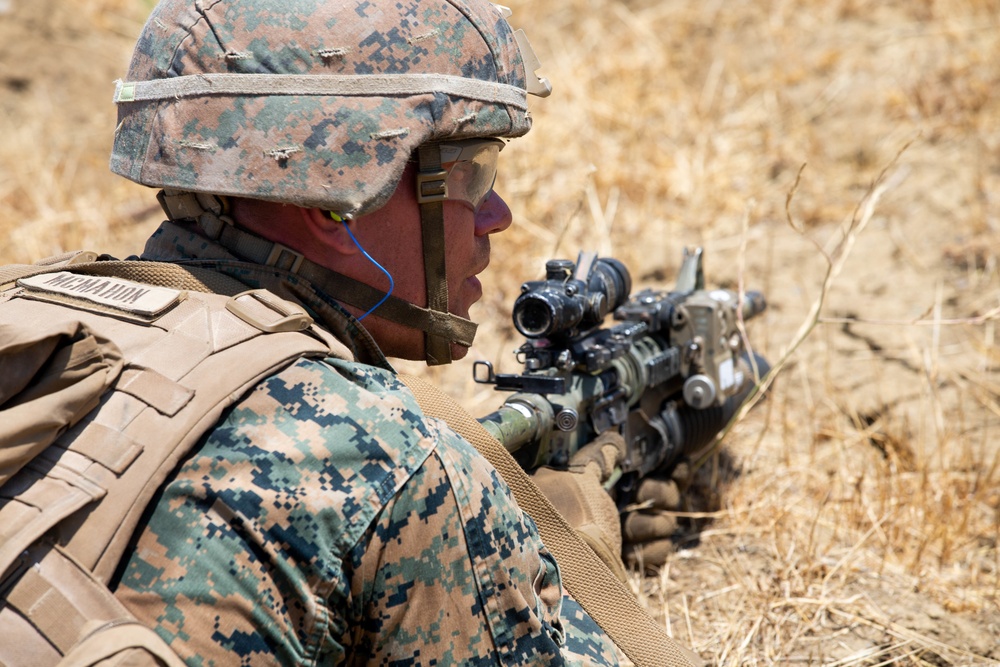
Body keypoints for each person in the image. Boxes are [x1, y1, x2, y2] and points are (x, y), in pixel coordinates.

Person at [89, 0, 630, 663]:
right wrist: (563, 558)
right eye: (469, 172)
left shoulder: (42, 314)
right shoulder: (392, 458)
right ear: (334, 203)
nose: (499, 213)